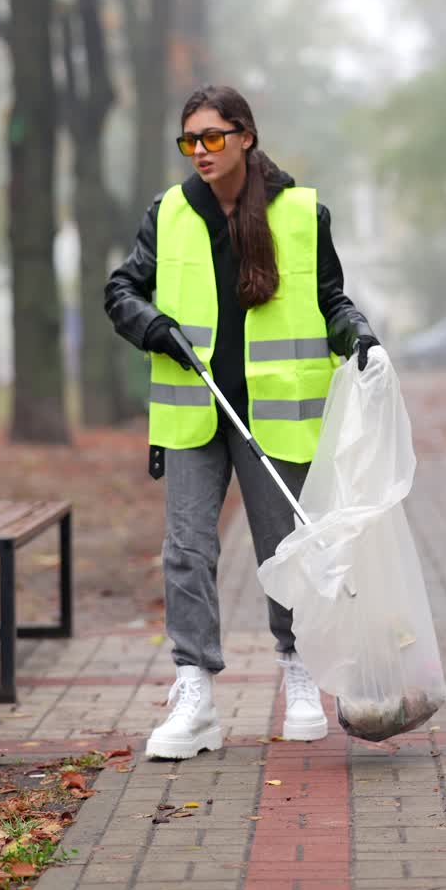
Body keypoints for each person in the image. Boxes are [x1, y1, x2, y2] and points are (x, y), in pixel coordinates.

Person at [104, 86, 380, 760]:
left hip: (274, 412)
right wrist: (153, 326)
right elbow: (122, 290)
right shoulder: (167, 214)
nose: (200, 151)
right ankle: (194, 688)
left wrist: (360, 336)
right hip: (193, 410)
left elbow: (328, 298)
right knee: (187, 551)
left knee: (284, 552)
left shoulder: (298, 212)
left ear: (246, 136)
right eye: (190, 140)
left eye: (213, 137)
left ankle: (299, 670)